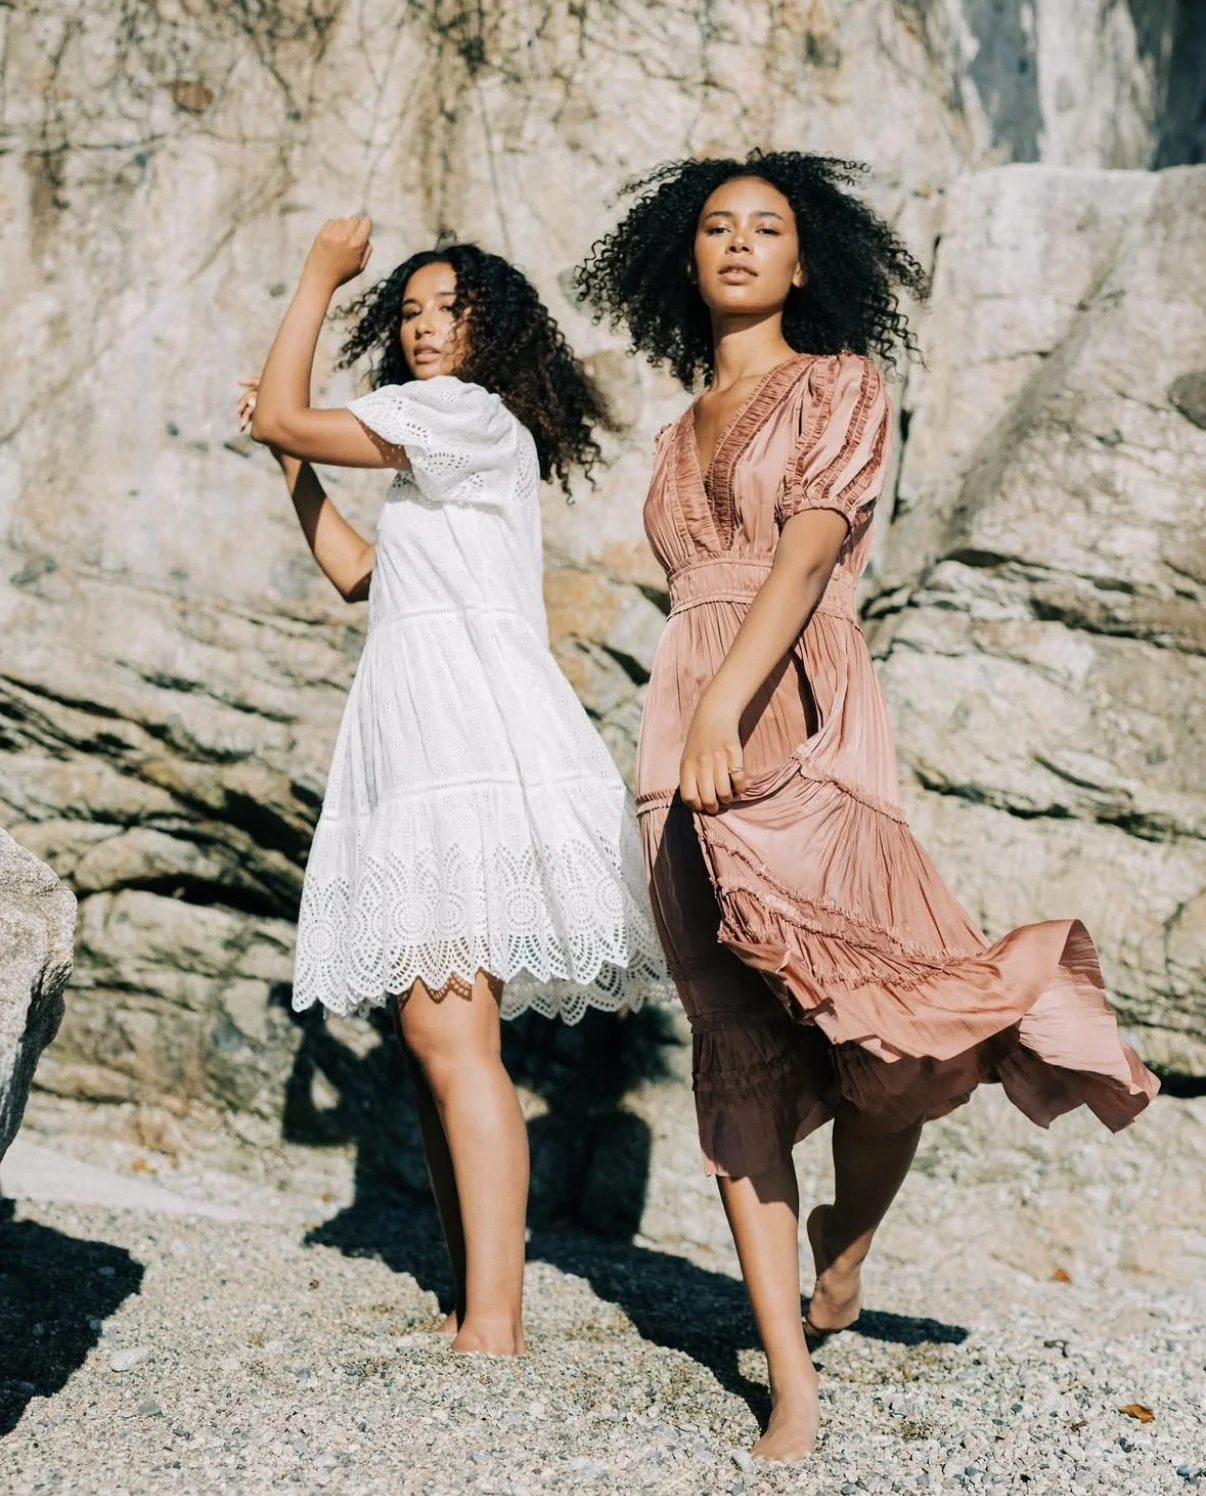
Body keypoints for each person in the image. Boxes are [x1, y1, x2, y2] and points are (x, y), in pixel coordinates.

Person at [575, 153, 1159, 1459]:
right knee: (732, 1041)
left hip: (801, 710)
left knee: (886, 1034)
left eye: (764, 228)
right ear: (684, 255)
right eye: (715, 227)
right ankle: (788, 1372)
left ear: (803, 261)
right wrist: (698, 712)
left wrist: (732, 699)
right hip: (685, 727)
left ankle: (846, 1237)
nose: (736, 244)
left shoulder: (842, 387)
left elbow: (804, 549)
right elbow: (703, 584)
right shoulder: (676, 434)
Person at [241, 217, 665, 1357]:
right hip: (420, 739)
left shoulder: (466, 414)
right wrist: (293, 470)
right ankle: (475, 1292)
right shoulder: (453, 443)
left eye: (449, 309)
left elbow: (287, 404)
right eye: (412, 311)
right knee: (435, 1040)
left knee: (450, 1040)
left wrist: (318, 278)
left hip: (459, 746)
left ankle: (496, 1320)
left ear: (496, 330)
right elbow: (357, 573)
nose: (426, 327)